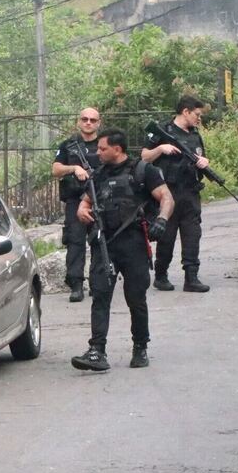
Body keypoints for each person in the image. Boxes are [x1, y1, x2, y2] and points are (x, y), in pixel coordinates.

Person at [72, 128, 173, 371]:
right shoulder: (97, 175)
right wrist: (82, 212)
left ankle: (140, 347)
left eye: (102, 148)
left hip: (134, 244)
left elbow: (167, 197)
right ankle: (97, 350)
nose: (98, 152)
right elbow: (83, 204)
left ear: (117, 149)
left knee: (136, 298)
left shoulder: (142, 171)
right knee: (100, 296)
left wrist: (161, 220)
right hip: (104, 243)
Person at [141, 95, 210, 293]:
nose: (199, 118)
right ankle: (161, 276)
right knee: (166, 236)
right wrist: (161, 149)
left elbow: (199, 156)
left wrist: (204, 162)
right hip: (168, 193)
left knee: (192, 234)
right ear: (185, 111)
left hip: (190, 191)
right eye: (197, 114)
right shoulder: (163, 131)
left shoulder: (194, 135)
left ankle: (191, 277)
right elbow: (145, 157)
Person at [52, 107, 102, 302]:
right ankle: (76, 284)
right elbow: (55, 169)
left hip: (99, 199)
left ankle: (98, 282)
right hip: (74, 199)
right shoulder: (69, 145)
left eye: (92, 120)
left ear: (98, 123)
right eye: (84, 119)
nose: (88, 122)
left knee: (100, 240)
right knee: (75, 242)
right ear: (78, 122)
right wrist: (74, 168)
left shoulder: (103, 144)